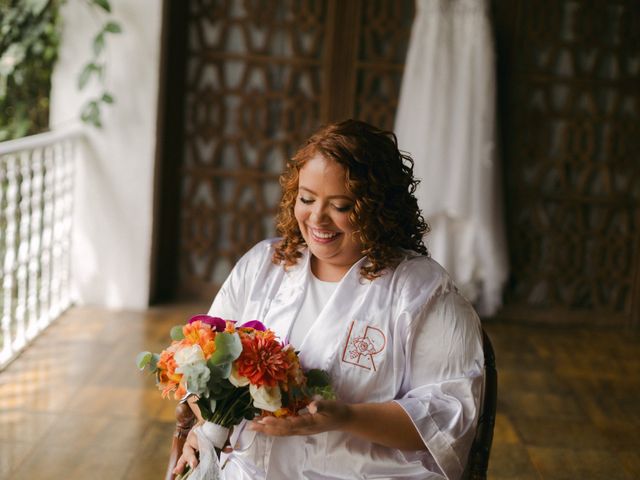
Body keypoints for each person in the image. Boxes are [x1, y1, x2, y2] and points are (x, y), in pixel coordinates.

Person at [174, 119, 485, 480]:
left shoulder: (422, 290)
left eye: (340, 205)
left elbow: (451, 415)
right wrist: (206, 430)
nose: (317, 218)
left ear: (378, 209)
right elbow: (203, 366)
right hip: (249, 470)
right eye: (306, 199)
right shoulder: (263, 265)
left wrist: (346, 417)